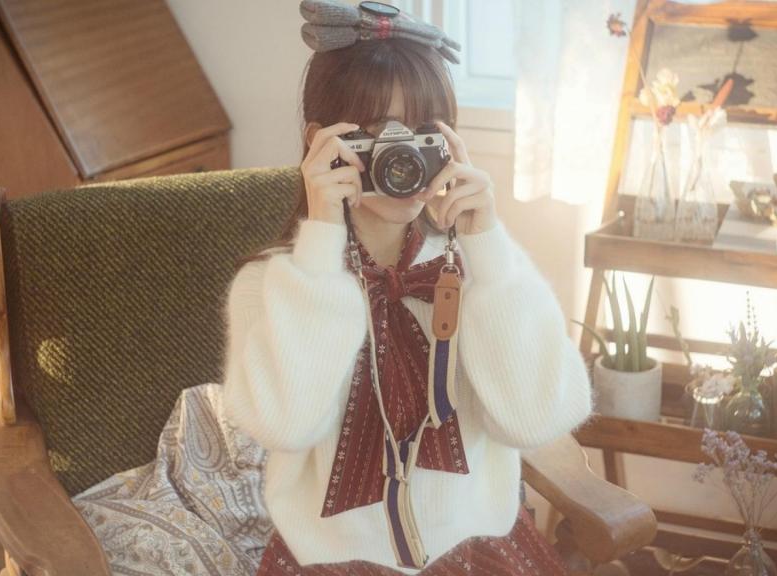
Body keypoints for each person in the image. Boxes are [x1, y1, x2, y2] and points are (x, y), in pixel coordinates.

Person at [221, 1, 594, 574]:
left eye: (423, 132)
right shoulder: (273, 285)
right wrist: (320, 250)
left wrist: (488, 249)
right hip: (331, 562)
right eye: (374, 134)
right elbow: (285, 426)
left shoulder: (481, 273)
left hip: (476, 550)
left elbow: (535, 420)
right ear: (321, 142)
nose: (401, 157)